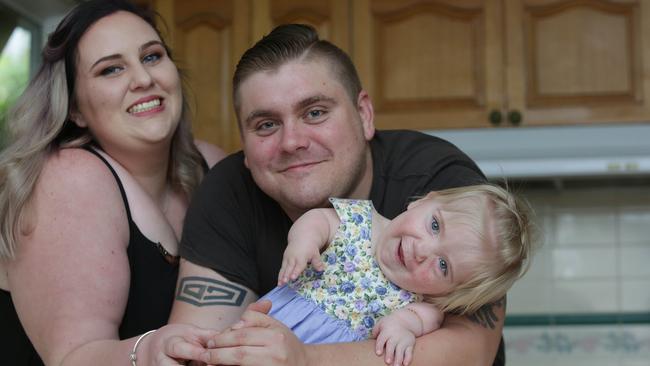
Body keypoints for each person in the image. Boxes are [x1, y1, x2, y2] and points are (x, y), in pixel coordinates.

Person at [171, 23, 506, 366]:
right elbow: (193, 346)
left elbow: (467, 355)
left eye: (314, 113)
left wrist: (304, 359)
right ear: (244, 143)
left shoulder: (439, 180)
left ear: (364, 115)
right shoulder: (228, 191)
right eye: (266, 125)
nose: (292, 142)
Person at [0, 1, 226, 365]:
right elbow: (72, 358)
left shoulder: (211, 165)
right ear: (74, 109)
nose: (143, 79)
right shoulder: (70, 178)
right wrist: (149, 350)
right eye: (111, 69)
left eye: (152, 57)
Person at [263, 184, 535, 366]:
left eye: (443, 266)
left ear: (449, 294)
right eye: (435, 225)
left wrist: (400, 332)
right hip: (272, 326)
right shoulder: (359, 221)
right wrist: (303, 242)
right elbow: (317, 221)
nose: (422, 250)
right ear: (423, 201)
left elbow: (409, 325)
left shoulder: (420, 305)